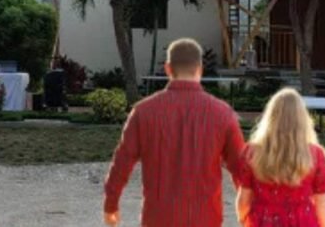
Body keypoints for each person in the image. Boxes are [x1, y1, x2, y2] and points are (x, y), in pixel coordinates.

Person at [103, 38, 245, 227]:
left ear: (168, 69)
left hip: (158, 218)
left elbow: (122, 162)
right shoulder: (223, 114)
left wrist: (111, 204)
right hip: (205, 218)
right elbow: (241, 169)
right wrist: (248, 208)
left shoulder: (143, 111)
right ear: (200, 69)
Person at [236, 88, 325, 227]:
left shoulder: (252, 152)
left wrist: (244, 219)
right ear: (303, 119)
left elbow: (244, 200)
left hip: (263, 221)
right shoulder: (316, 154)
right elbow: (321, 204)